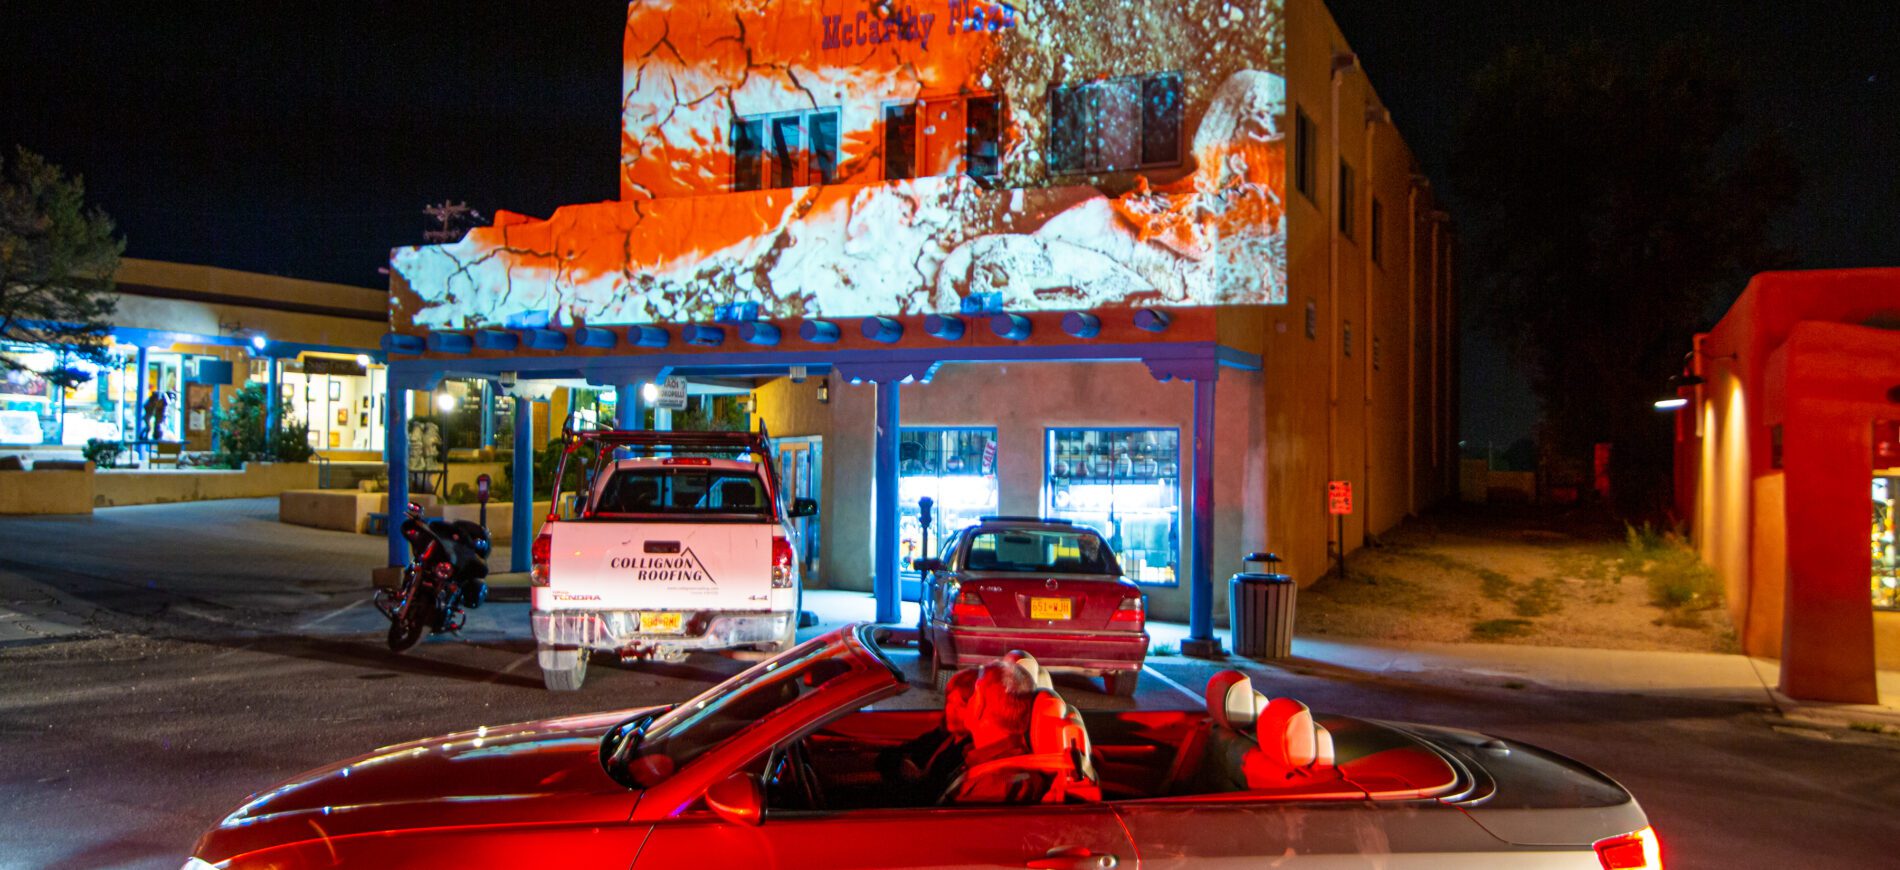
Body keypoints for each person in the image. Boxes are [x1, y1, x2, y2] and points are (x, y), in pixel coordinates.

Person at [943, 659, 1049, 804]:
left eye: (975, 693)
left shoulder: (996, 784)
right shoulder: (999, 764)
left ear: (979, 705)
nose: (969, 700)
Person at [877, 668, 977, 803]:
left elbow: (933, 794)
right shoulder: (943, 736)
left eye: (960, 706)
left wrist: (917, 778)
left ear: (977, 710)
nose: (951, 711)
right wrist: (903, 764)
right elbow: (891, 754)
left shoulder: (967, 752)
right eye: (949, 703)